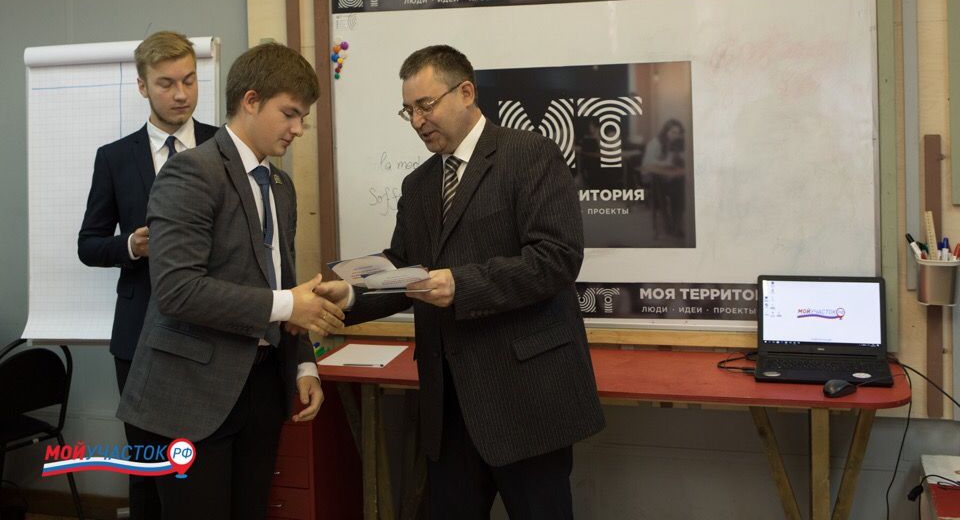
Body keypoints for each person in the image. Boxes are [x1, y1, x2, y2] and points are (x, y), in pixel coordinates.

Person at [317, 45, 605, 519]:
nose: (417, 121)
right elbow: (403, 266)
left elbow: (556, 258)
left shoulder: (529, 154)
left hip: (525, 401)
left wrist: (461, 286)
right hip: (448, 408)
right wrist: (349, 294)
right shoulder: (418, 185)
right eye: (408, 111)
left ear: (466, 92)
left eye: (425, 105)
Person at [117, 43, 345, 520]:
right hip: (190, 395)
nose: (297, 129)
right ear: (251, 100)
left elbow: (285, 285)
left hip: (261, 387)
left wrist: (304, 366)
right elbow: (178, 290)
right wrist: (288, 305)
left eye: (303, 118)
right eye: (290, 114)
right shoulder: (191, 172)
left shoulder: (280, 186)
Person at [77, 31, 217, 520]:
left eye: (189, 81)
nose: (181, 94)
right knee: (149, 470)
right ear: (142, 87)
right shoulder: (115, 158)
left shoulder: (224, 145)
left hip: (211, 333)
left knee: (203, 469)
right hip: (139, 337)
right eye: (166, 84)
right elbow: (88, 244)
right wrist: (131, 246)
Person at [642, 118, 687, 238]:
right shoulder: (655, 143)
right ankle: (671, 225)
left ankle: (676, 224)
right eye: (673, 132)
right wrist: (666, 163)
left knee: (681, 186)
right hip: (651, 177)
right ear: (666, 131)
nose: (675, 135)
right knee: (677, 189)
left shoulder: (676, 143)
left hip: (668, 176)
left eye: (678, 133)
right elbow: (648, 163)